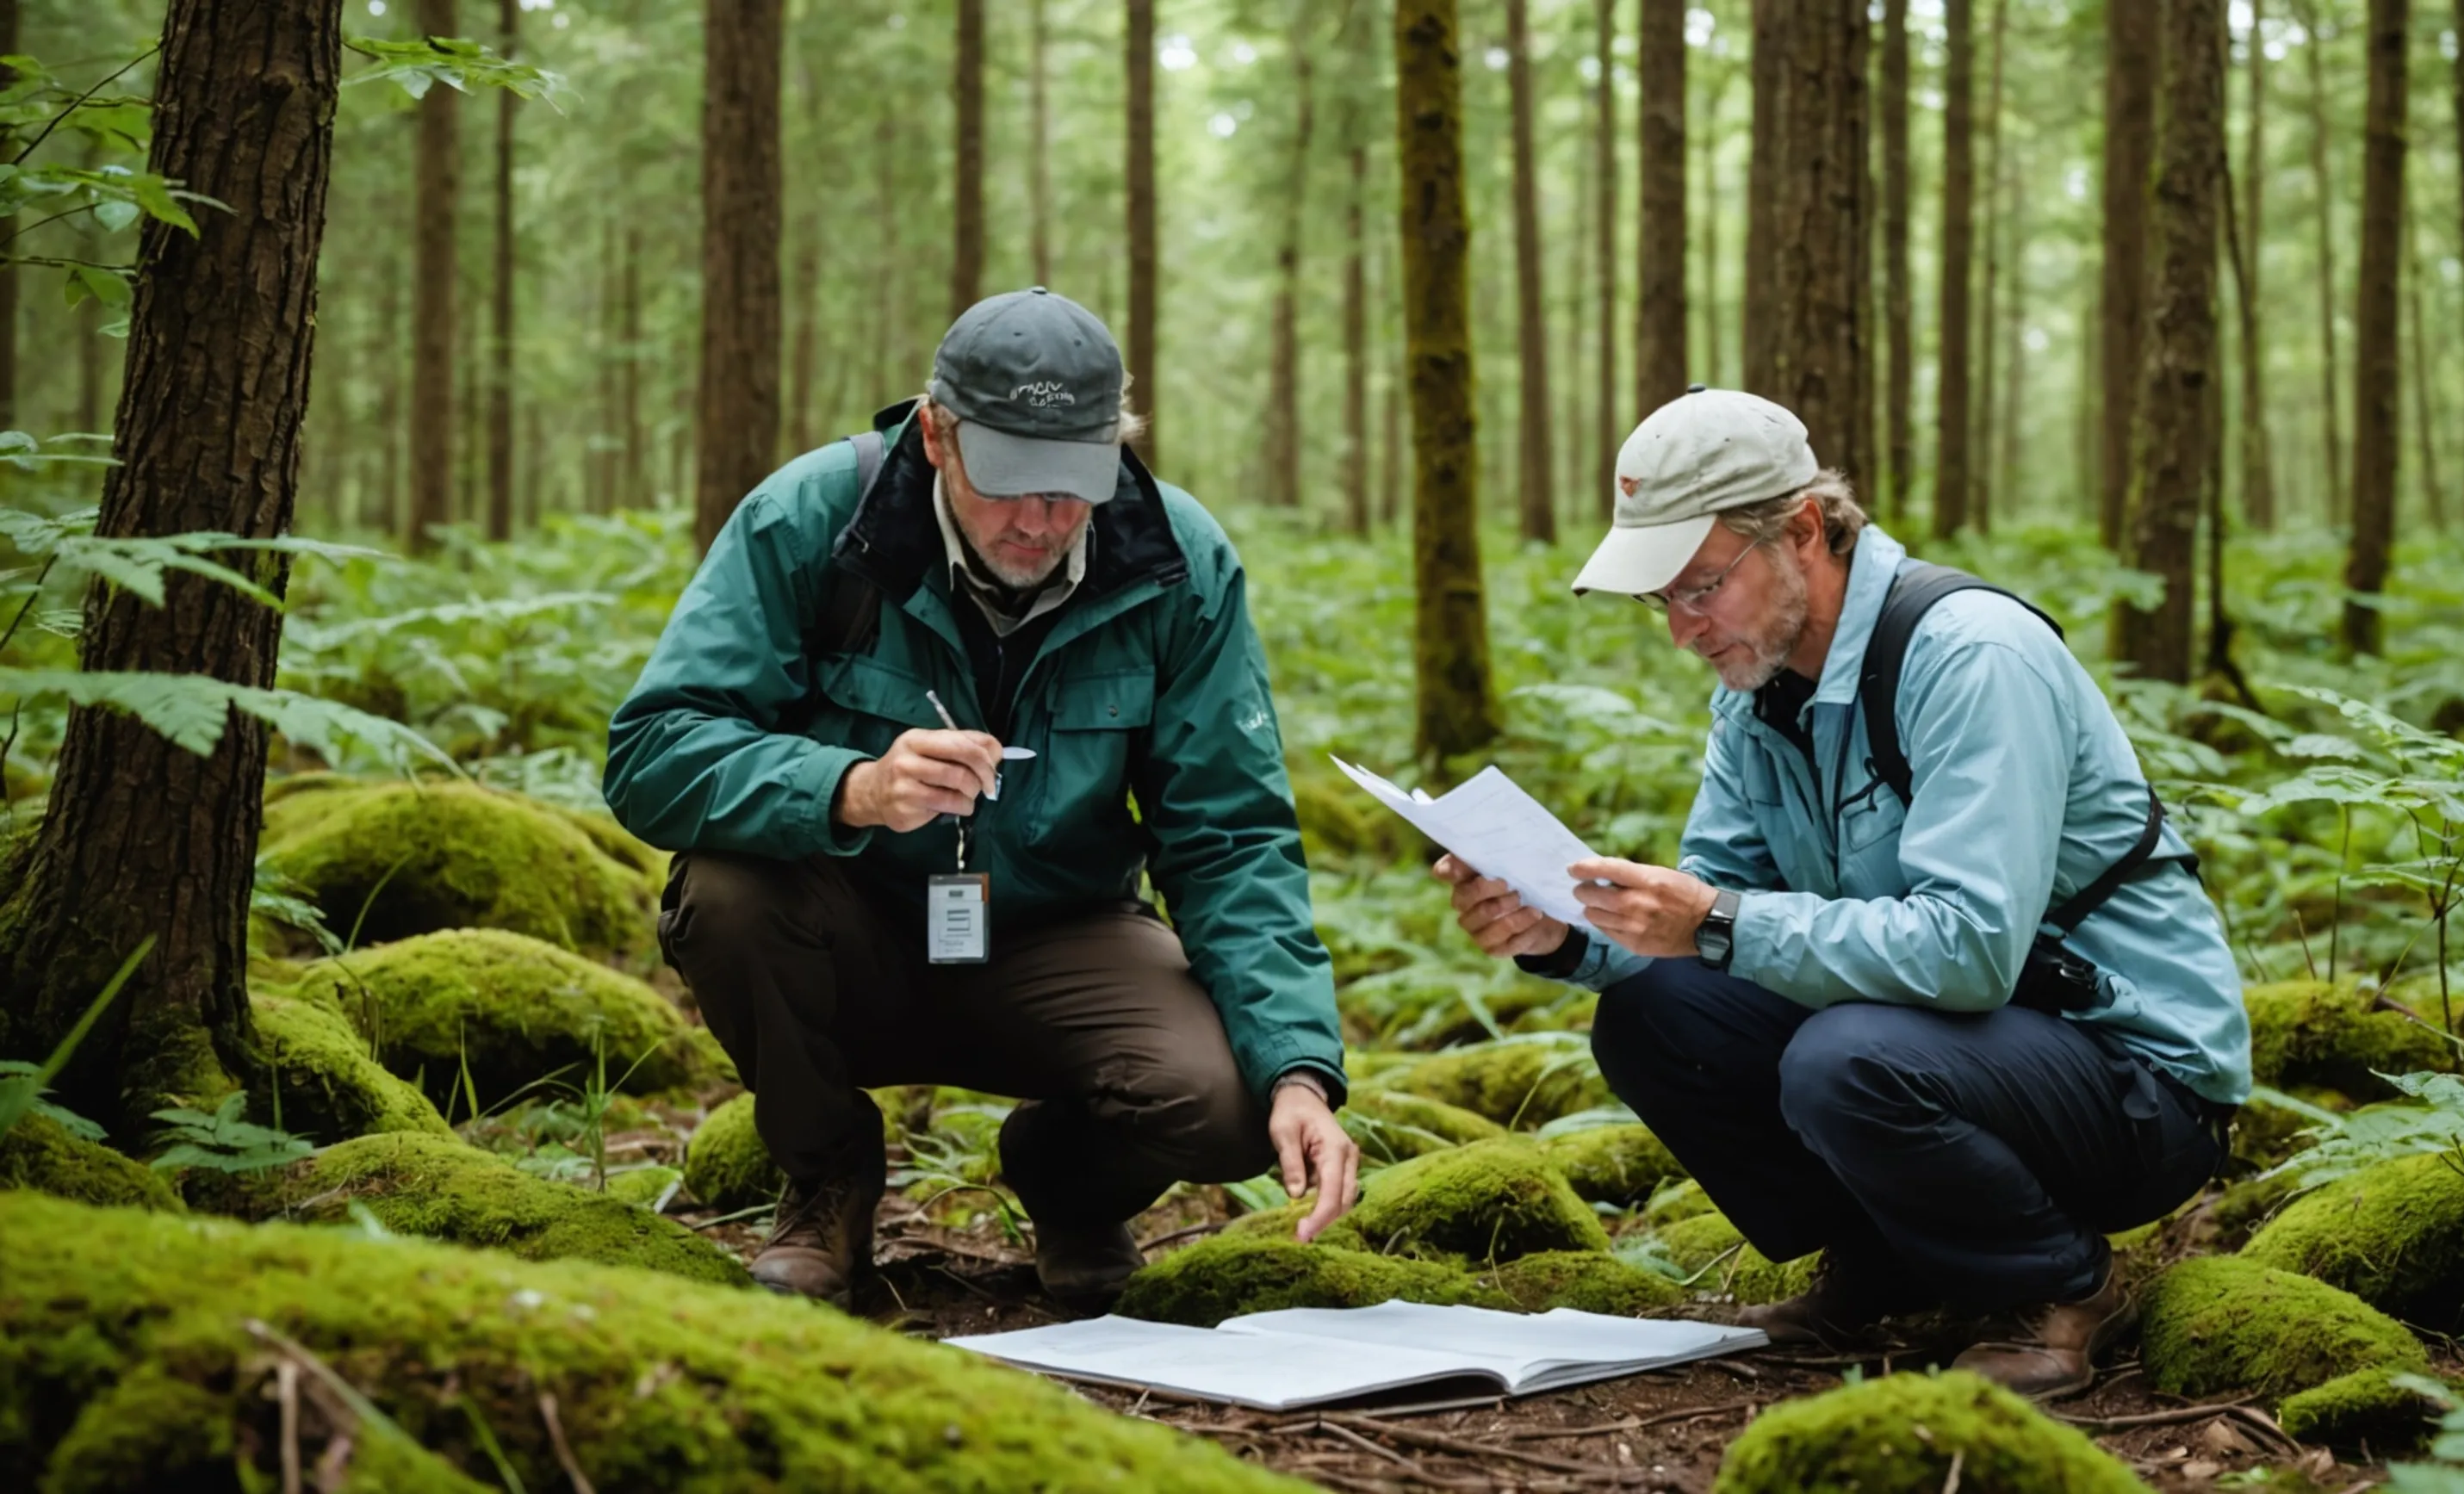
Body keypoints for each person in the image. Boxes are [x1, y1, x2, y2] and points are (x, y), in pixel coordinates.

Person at [1435, 388, 2250, 1397]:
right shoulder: (1758, 699)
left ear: (1805, 530)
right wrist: (1561, 935)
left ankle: (2061, 1288)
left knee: (1844, 1059)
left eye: (1699, 587)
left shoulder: (1970, 656)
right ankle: (1887, 1265)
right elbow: (1716, 929)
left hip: (2136, 1078)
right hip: (1964, 1044)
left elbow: (1969, 947)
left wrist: (1715, 920)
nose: (1684, 632)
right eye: (1663, 602)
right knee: (1655, 1012)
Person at [605, 288, 1358, 1311]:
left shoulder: (1178, 560)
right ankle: (828, 1178)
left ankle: (1069, 1187)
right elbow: (652, 751)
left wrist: (1300, 1073)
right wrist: (851, 789)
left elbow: (1230, 835)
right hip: (847, 925)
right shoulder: (812, 518)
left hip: (1061, 935)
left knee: (1227, 1099)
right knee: (726, 891)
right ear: (937, 435)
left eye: (1070, 487)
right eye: (1009, 482)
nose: (1039, 521)